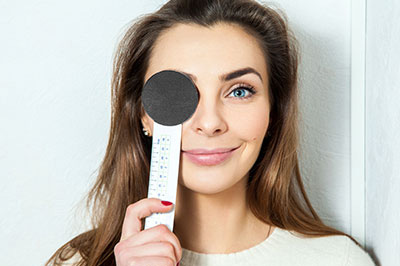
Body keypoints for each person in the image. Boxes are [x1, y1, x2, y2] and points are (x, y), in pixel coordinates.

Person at [45, 0, 376, 265]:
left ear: (273, 112)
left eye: (240, 91)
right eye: (176, 93)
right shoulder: (77, 261)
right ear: (144, 116)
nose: (209, 122)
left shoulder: (339, 261)